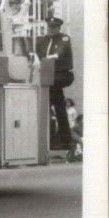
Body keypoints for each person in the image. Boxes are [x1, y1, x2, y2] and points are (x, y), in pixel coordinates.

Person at [33, 17, 74, 150]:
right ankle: (62, 140)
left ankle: (55, 140)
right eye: (49, 27)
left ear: (58, 28)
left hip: (59, 75)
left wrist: (46, 58)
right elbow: (36, 54)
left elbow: (59, 54)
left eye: (53, 27)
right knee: (58, 107)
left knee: (52, 106)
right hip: (46, 76)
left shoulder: (64, 39)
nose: (50, 30)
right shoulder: (42, 40)